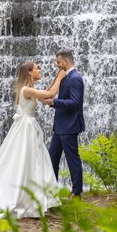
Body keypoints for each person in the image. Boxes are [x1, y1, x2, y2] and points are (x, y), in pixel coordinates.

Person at [0, 61, 66, 218]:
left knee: (34, 162)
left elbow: (46, 93)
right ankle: (27, 197)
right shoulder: (26, 89)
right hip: (26, 129)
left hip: (27, 127)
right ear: (30, 72)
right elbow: (50, 94)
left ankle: (35, 196)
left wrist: (57, 77)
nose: (39, 70)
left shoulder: (28, 89)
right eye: (37, 68)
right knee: (27, 161)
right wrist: (61, 76)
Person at [41, 50, 84, 199]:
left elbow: (75, 102)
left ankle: (77, 192)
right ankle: (52, 192)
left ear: (66, 61)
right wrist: (52, 100)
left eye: (58, 62)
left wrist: (54, 102)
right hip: (60, 126)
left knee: (72, 159)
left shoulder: (75, 78)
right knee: (52, 158)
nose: (56, 65)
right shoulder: (65, 77)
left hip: (70, 126)